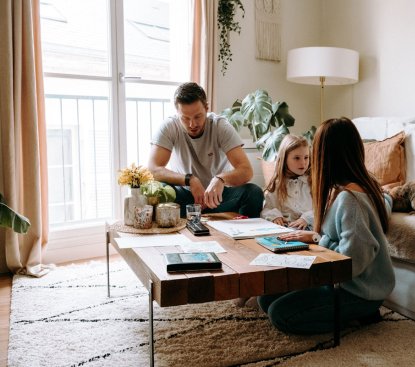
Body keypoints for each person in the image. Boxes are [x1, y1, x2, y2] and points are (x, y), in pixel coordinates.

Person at [257, 117, 395, 334]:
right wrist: (315, 238)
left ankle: (358, 318)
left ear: (326, 156)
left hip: (359, 291)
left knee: (280, 315)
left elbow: (353, 262)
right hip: (341, 282)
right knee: (265, 299)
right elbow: (342, 236)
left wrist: (317, 252)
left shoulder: (352, 199)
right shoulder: (345, 189)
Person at [148, 82, 264, 217]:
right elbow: (153, 169)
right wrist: (189, 180)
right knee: (159, 190)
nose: (192, 124)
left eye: (198, 116)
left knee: (254, 192)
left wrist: (220, 179)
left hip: (218, 197)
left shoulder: (220, 126)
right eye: (185, 118)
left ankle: (242, 233)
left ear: (207, 108)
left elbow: (246, 171)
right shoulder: (169, 126)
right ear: (177, 113)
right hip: (186, 195)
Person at [261, 134, 313, 230]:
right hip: (284, 228)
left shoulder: (313, 183)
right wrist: (275, 216)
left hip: (310, 227)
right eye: (297, 158)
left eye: (306, 157)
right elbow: (267, 209)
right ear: (285, 159)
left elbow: (324, 209)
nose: (303, 163)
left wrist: (307, 218)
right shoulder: (277, 184)